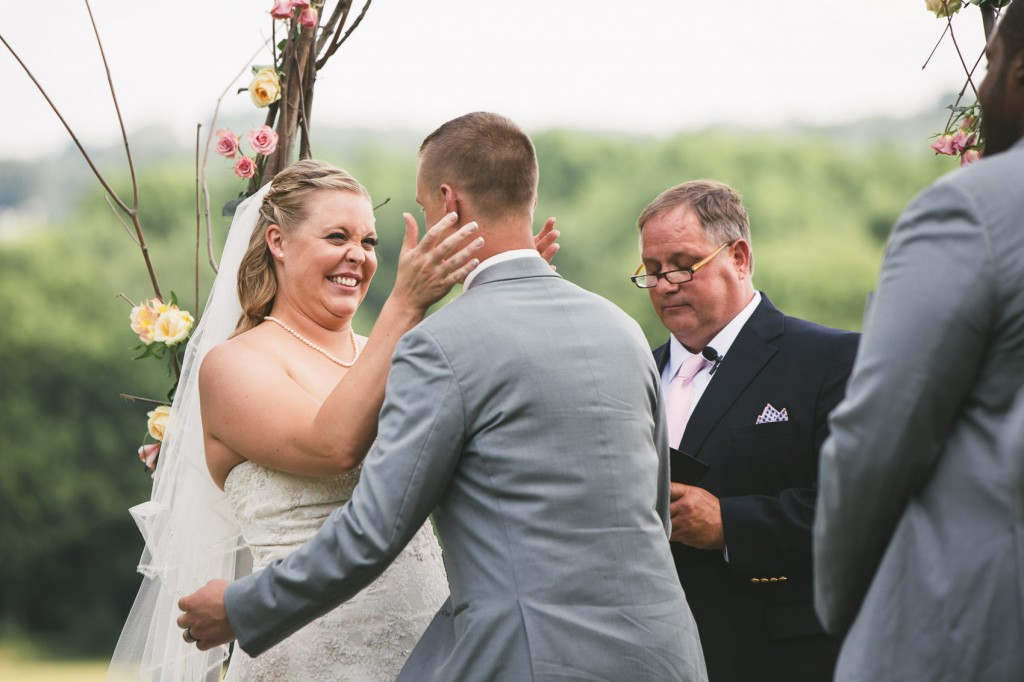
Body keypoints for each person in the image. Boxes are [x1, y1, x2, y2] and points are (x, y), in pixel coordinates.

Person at [178, 111, 709, 681]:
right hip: (663, 653)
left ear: (449, 203)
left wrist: (242, 607)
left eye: (377, 235)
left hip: (522, 656)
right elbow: (650, 514)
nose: (363, 253)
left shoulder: (438, 345)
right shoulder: (623, 330)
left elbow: (373, 528)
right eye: (338, 236)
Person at [108, 158, 560, 680]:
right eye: (338, 236)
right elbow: (333, 446)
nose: (358, 256)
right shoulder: (233, 365)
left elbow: (482, 459)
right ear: (277, 241)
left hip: (436, 654)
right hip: (309, 655)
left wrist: (512, 303)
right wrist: (406, 304)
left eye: (369, 243)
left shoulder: (395, 352)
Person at [812, 5, 1024, 680]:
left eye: (989, 65)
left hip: (967, 626)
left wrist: (841, 607)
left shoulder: (973, 209)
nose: (981, 88)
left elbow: (877, 437)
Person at [633, 179, 859, 681]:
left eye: (682, 264)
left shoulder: (830, 359)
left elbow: (861, 509)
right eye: (651, 271)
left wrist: (729, 526)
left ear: (738, 256)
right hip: (650, 655)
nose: (665, 283)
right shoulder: (633, 374)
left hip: (780, 657)